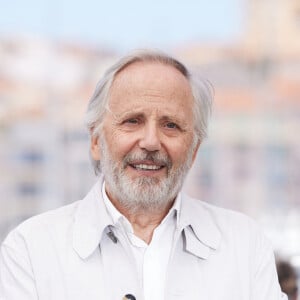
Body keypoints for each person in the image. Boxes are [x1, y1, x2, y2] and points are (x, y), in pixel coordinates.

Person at [0, 50, 287, 300]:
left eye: (171, 125)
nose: (150, 142)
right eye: (132, 121)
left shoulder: (244, 244)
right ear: (96, 141)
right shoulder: (31, 249)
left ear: (194, 149)